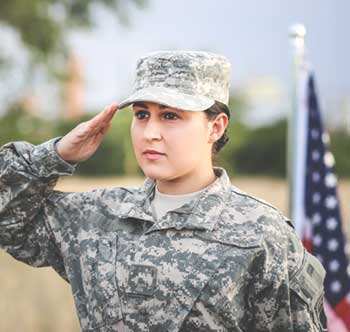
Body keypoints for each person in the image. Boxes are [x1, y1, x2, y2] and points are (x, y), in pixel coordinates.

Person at [0, 50, 327, 332]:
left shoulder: (260, 232)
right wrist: (56, 154)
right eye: (142, 115)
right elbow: (8, 218)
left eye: (170, 116)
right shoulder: (95, 216)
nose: (150, 133)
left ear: (215, 127)